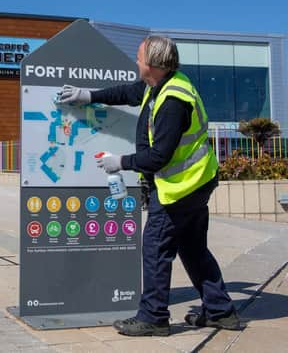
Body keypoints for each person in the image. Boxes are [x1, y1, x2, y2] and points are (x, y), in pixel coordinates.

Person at [59, 36, 240, 337]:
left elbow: (159, 156)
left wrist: (121, 161)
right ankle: (221, 311)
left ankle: (154, 317)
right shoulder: (163, 83)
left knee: (156, 248)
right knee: (193, 249)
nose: (136, 62)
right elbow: (128, 92)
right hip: (197, 182)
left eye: (140, 58)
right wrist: (89, 95)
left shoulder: (172, 102)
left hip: (180, 188)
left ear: (153, 65)